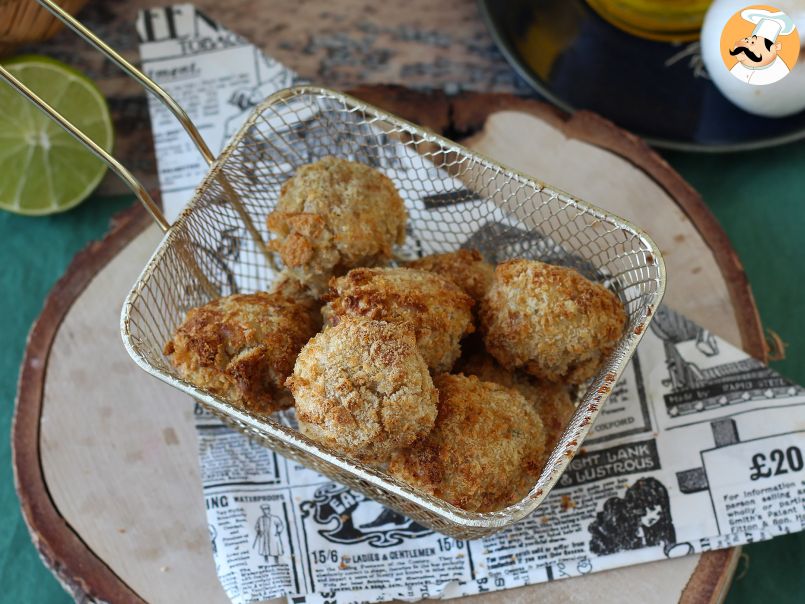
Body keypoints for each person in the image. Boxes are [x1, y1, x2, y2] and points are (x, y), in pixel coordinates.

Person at [728, 9, 796, 86]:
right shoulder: (737, 67)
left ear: (775, 47)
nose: (745, 45)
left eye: (753, 43)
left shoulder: (779, 72)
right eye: (747, 40)